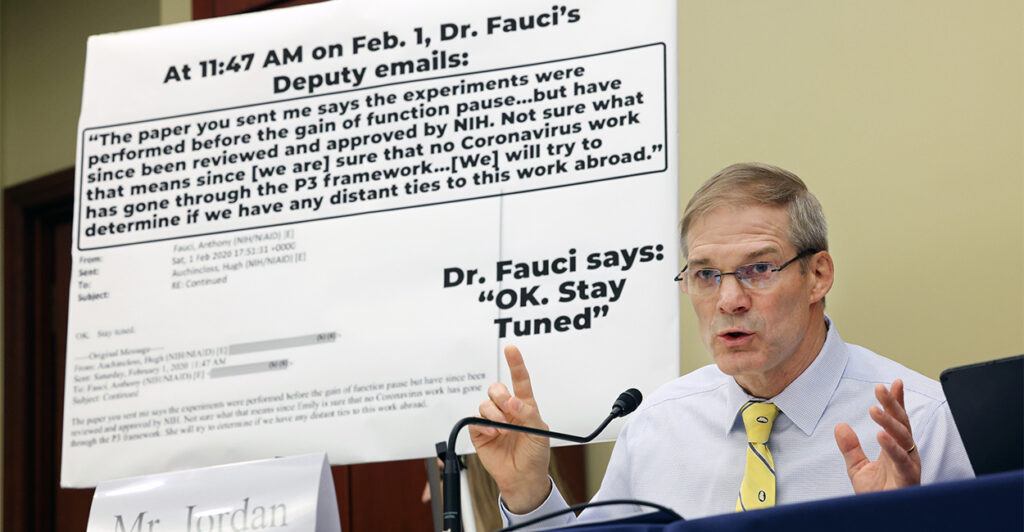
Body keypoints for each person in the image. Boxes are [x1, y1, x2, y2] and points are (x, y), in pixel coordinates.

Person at [468, 162, 974, 527]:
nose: (729, 299)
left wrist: (899, 524)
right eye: (706, 274)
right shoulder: (657, 425)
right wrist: (529, 493)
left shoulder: (924, 424)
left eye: (758, 269)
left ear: (818, 275)